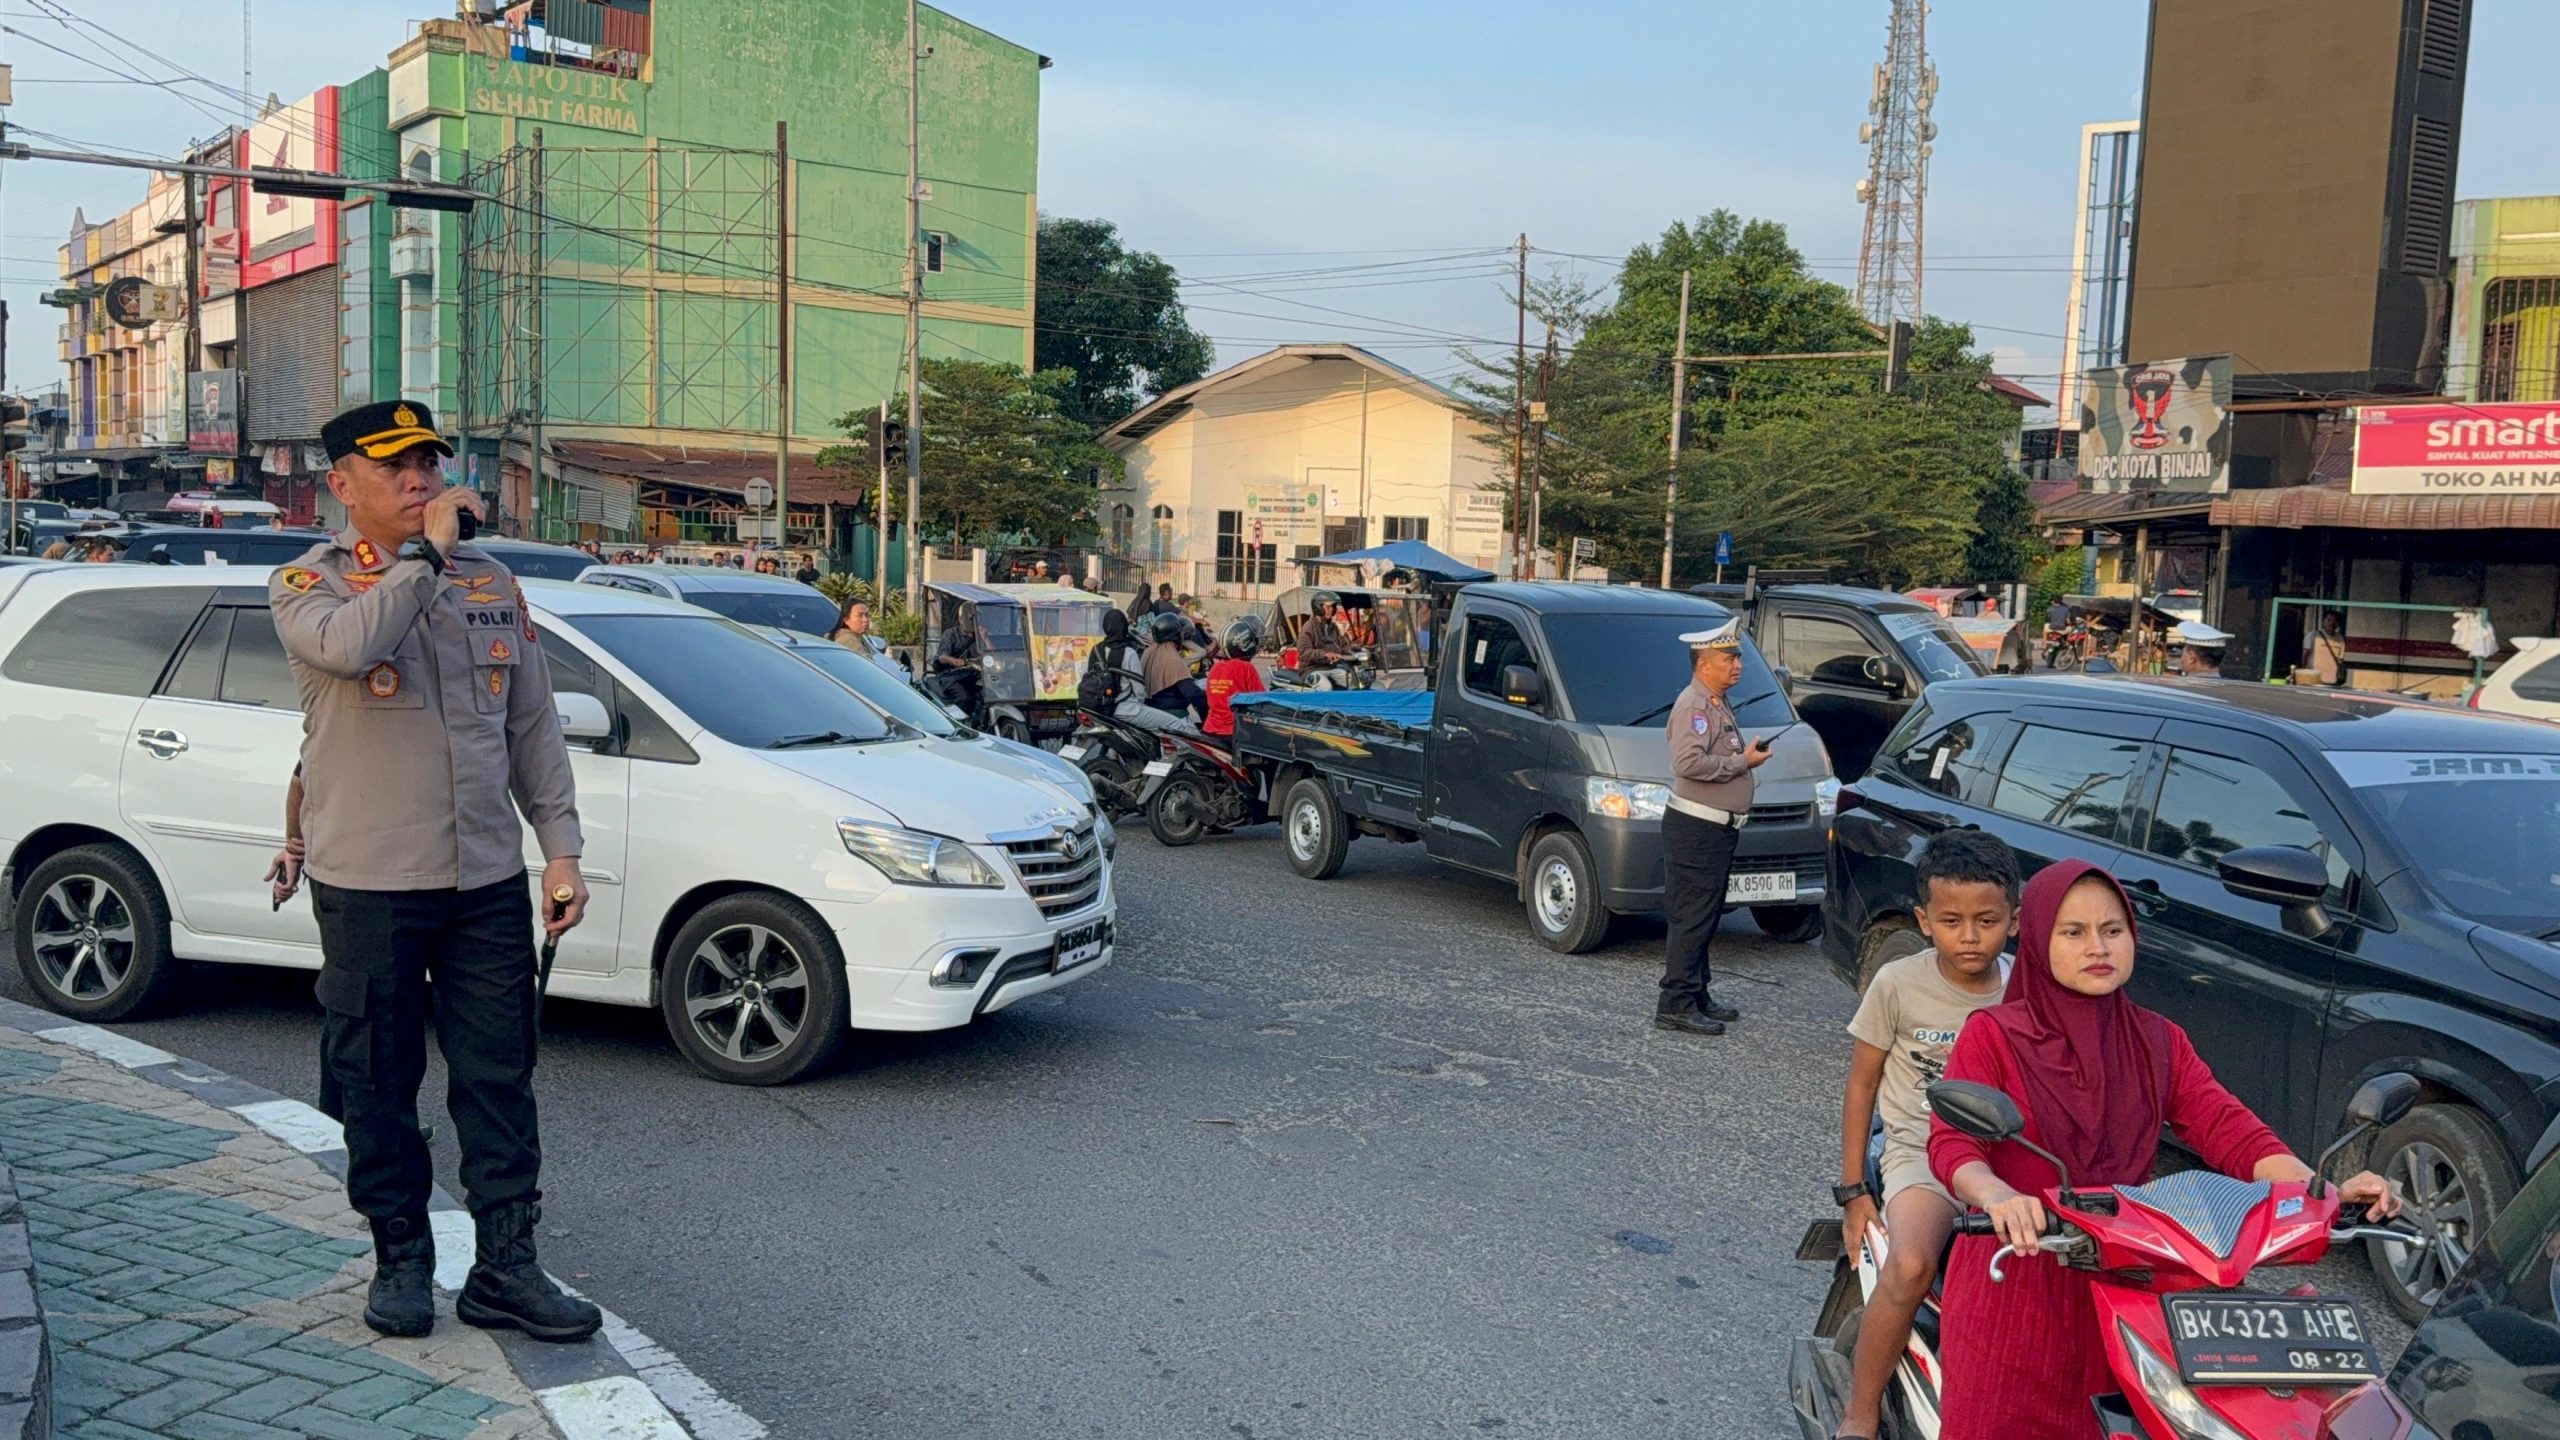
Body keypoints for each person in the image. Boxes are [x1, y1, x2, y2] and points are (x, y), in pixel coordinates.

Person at [268, 399, 598, 1345]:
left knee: (500, 1077)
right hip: (369, 882)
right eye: (396, 467)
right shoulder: (308, 585)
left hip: (484, 882)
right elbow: (348, 649)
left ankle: (505, 1268)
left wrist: (562, 850)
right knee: (376, 1077)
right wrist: (426, 561)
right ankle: (402, 1258)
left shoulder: (492, 582)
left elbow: (531, 725)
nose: (420, 480)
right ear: (342, 486)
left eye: (429, 463)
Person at [1928, 861, 2400, 1439]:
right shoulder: (1993, 1034)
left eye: (2113, 930)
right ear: (2040, 938)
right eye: (2073, 932)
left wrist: (2321, 1191)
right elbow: (1954, 1142)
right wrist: (1999, 1196)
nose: (2097, 947)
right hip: (2021, 1273)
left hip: (2136, 1278)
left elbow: (2229, 1129)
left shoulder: (2159, 1039)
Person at [1831, 830, 2021, 1440]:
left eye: (1987, 920)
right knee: (1912, 1262)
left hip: (2008, 1155)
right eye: (1951, 920)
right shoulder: (1898, 983)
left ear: (2014, 921)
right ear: (1923, 919)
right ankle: (1860, 1415)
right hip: (1921, 1153)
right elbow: (1861, 1085)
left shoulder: (2026, 990)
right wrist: (1854, 1190)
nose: (1970, 936)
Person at [1656, 618, 1772, 1036]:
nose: (1737, 665)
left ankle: (1696, 991)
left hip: (1714, 829)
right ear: (1704, 664)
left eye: (1738, 657)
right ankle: (1675, 1002)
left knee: (1704, 916)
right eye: (1729, 658)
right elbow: (1687, 764)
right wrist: (1745, 762)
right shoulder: (1695, 705)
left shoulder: (1716, 702)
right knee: (1692, 916)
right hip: (1696, 828)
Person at [1203, 617, 1267, 740]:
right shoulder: (1246, 668)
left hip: (1209, 728)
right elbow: (1261, 700)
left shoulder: (1215, 667)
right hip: (1234, 731)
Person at [1143, 611, 1207, 722]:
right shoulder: (1172, 658)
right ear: (1176, 635)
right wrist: (1207, 717)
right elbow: (1193, 693)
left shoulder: (1149, 652)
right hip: (1171, 714)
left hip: (1149, 711)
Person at [933, 600, 989, 714]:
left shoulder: (982, 635)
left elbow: (993, 654)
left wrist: (985, 638)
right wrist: (954, 660)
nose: (973, 622)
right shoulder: (951, 634)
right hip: (952, 676)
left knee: (991, 695)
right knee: (963, 697)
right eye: (969, 619)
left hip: (975, 675)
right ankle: (961, 725)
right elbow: (942, 657)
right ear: (960, 620)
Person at [2306, 610, 2348, 686]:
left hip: (2332, 679)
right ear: (2323, 622)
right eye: (2329, 620)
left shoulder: (2340, 638)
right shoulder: (2313, 635)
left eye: (2335, 621)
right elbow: (2304, 655)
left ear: (2338, 624)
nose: (2331, 623)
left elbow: (2340, 659)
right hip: (2313, 677)